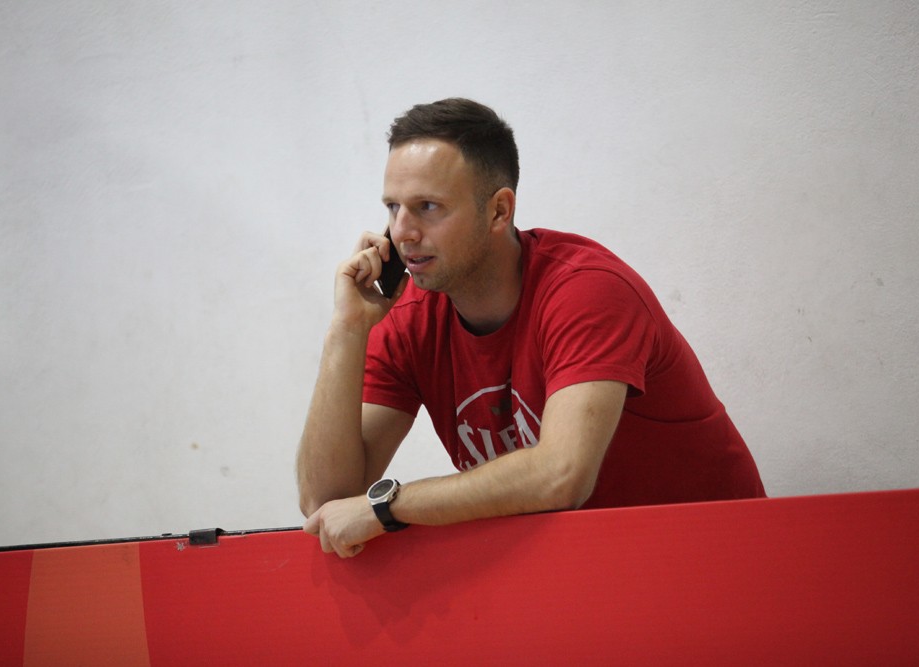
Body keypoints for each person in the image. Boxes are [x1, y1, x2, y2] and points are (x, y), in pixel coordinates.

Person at [297, 98, 765, 558]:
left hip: (717, 553)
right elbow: (326, 504)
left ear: (499, 211)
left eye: (428, 206)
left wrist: (388, 506)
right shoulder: (409, 316)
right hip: (586, 564)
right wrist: (346, 329)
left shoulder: (586, 290)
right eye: (393, 207)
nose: (402, 231)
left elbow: (561, 476)